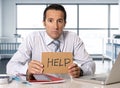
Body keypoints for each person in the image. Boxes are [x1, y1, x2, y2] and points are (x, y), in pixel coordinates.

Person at [6, 4, 95, 80]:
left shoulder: (73, 38)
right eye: (50, 21)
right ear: (44, 23)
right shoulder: (32, 38)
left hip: (66, 85)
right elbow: (10, 66)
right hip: (39, 85)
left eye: (59, 21)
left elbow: (90, 63)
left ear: (65, 23)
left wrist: (81, 71)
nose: (55, 26)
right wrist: (27, 70)